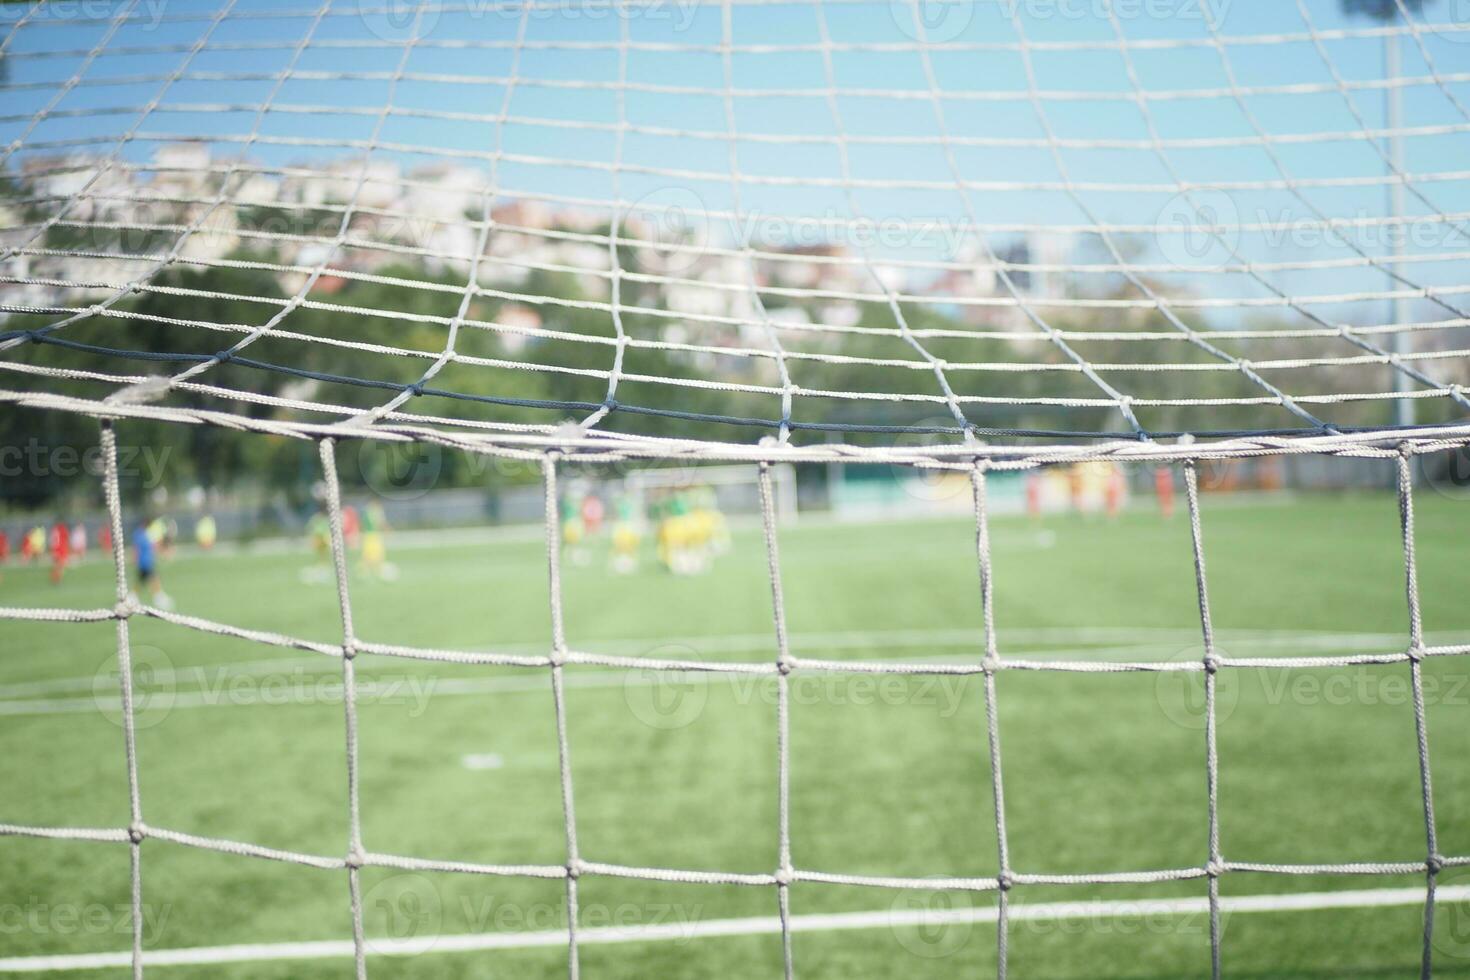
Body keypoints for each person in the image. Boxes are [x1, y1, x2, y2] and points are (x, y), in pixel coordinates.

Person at [131, 519, 173, 610]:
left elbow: (153, 545)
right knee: (154, 578)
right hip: (145, 562)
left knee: (141, 580)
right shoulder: (141, 535)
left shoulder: (145, 534)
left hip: (147, 561)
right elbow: (137, 548)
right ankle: (158, 598)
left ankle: (132, 597)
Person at [359, 501, 395, 580]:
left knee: (367, 556)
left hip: (367, 536)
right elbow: (380, 523)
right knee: (377, 555)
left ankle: (364, 573)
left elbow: (362, 525)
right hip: (374, 536)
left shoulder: (366, 512)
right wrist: (388, 530)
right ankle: (377, 572)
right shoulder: (375, 512)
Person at [49, 519, 71, 584]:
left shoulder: (54, 529)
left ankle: (55, 578)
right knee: (60, 565)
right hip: (61, 549)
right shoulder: (62, 529)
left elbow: (52, 541)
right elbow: (66, 538)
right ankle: (56, 579)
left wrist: (53, 550)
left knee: (58, 565)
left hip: (56, 549)